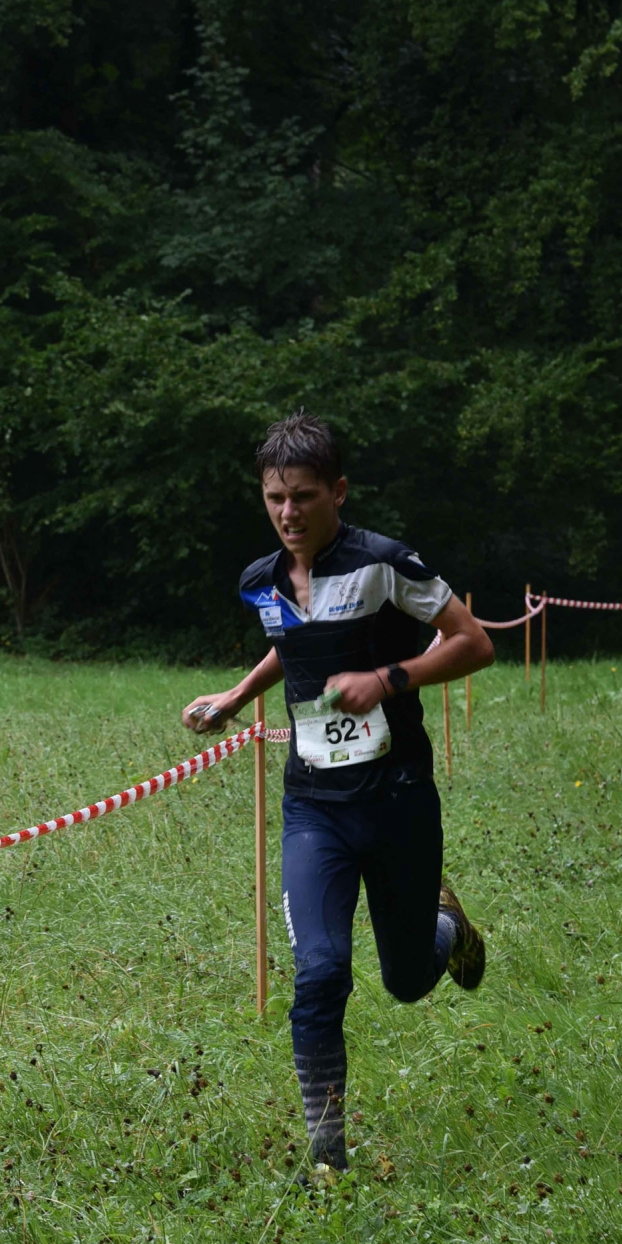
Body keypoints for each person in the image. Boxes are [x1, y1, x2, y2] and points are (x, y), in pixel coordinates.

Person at [183, 411, 494, 1175]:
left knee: (405, 981)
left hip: (397, 800)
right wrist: (234, 696)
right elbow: (290, 645)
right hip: (313, 807)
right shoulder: (259, 582)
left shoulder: (384, 563)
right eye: (274, 498)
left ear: (338, 492)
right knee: (319, 972)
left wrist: (388, 678)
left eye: (304, 496)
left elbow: (473, 642)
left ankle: (445, 928)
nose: (288, 512)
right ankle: (327, 1159)